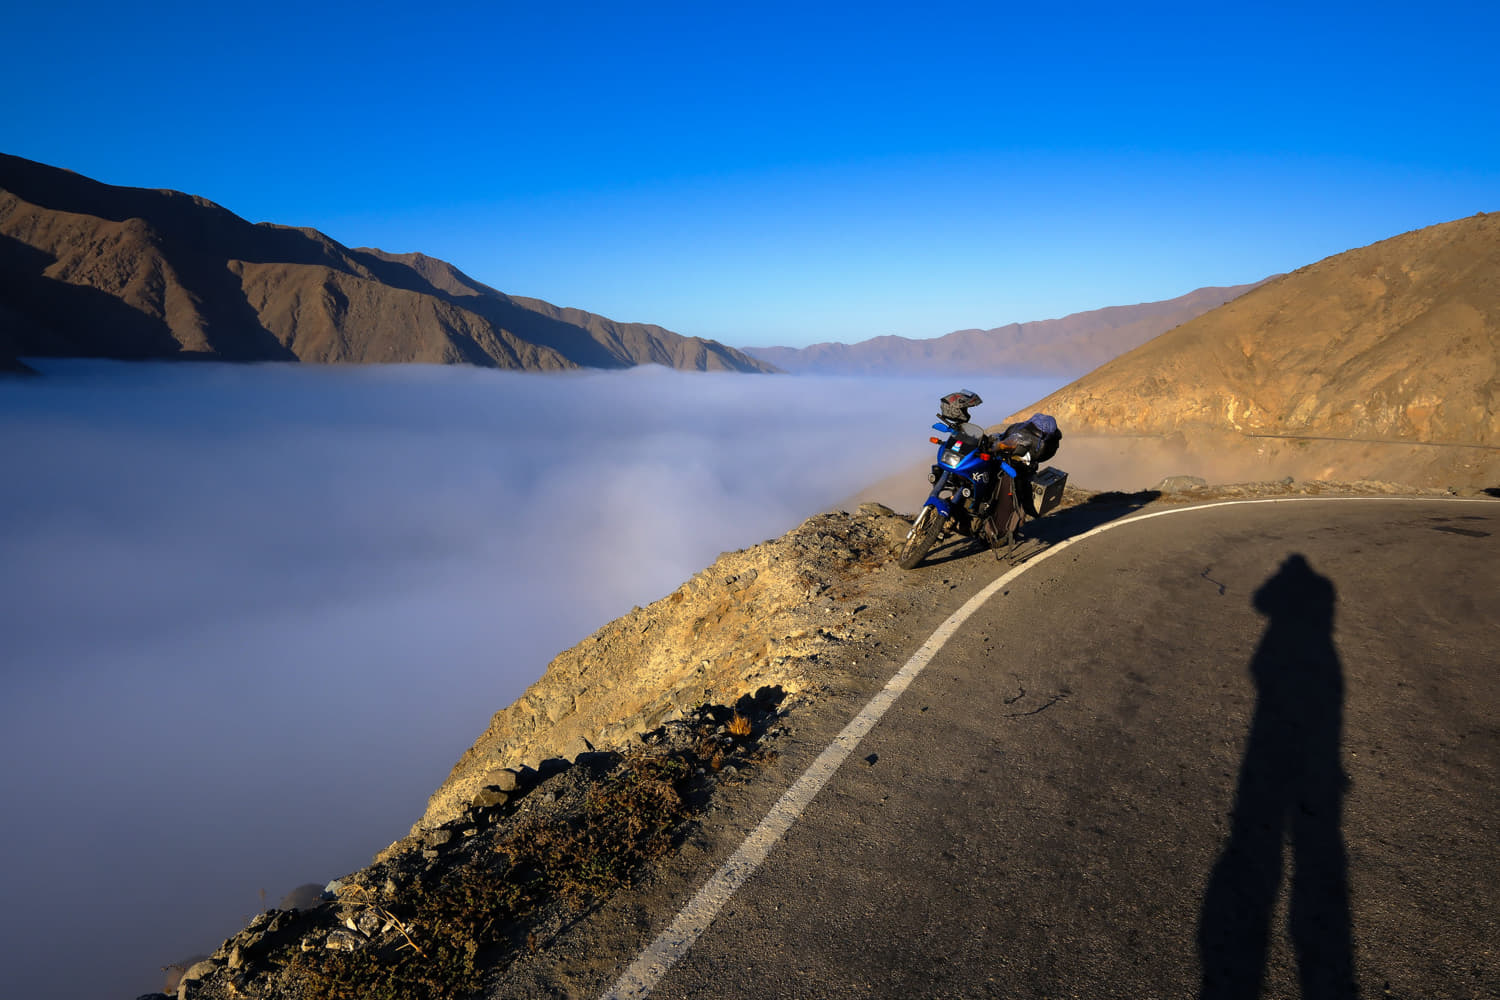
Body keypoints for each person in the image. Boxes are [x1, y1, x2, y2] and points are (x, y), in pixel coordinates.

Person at [994, 413, 1062, 518]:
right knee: (1023, 493)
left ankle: (1011, 521)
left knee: (1013, 493)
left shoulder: (1023, 435)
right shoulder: (1045, 442)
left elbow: (1003, 442)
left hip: (1015, 468)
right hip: (1028, 467)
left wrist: (995, 446)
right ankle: (1019, 518)